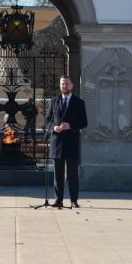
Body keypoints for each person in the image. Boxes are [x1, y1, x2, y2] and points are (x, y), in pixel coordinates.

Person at [47, 75, 87, 208]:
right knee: (57, 174)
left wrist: (71, 126)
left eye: (67, 84)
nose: (64, 86)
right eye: (62, 84)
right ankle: (58, 200)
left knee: (72, 174)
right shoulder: (54, 101)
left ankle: (74, 200)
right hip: (57, 142)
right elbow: (48, 121)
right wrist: (55, 127)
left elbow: (84, 122)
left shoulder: (79, 102)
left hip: (71, 143)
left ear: (72, 85)